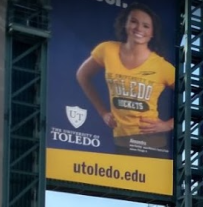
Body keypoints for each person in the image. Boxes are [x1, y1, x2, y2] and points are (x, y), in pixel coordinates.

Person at [75, 3, 175, 155]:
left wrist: (168, 125)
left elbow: (190, 97)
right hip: (121, 141)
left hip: (151, 143)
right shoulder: (107, 49)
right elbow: (82, 75)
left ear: (152, 33)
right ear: (126, 24)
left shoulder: (162, 66)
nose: (139, 29)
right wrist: (103, 112)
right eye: (134, 21)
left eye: (146, 26)